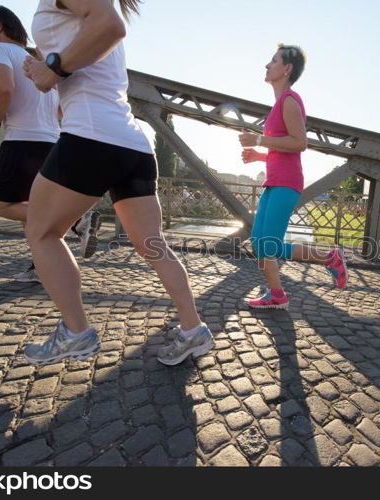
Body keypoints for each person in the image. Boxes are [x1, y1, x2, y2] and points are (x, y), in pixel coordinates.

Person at [22, 0, 213, 366]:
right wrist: (49, 70)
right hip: (132, 143)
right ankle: (193, 329)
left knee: (42, 232)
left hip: (91, 136)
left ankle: (76, 333)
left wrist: (53, 68)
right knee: (153, 245)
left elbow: (111, 25)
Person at [0, 5, 101, 284]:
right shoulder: (36, 61)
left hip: (21, 141)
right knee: (31, 209)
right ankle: (41, 267)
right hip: (51, 144)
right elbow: (61, 110)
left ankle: (78, 221)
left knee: (4, 205)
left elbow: (3, 88)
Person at [238, 44, 348, 310]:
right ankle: (277, 294)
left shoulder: (289, 100)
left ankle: (328, 257)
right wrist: (260, 156)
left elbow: (300, 143)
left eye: (273, 61)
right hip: (274, 181)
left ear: (287, 68)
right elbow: (282, 151)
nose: (267, 65)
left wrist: (260, 139)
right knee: (259, 242)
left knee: (270, 246)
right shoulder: (279, 104)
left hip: (287, 184)